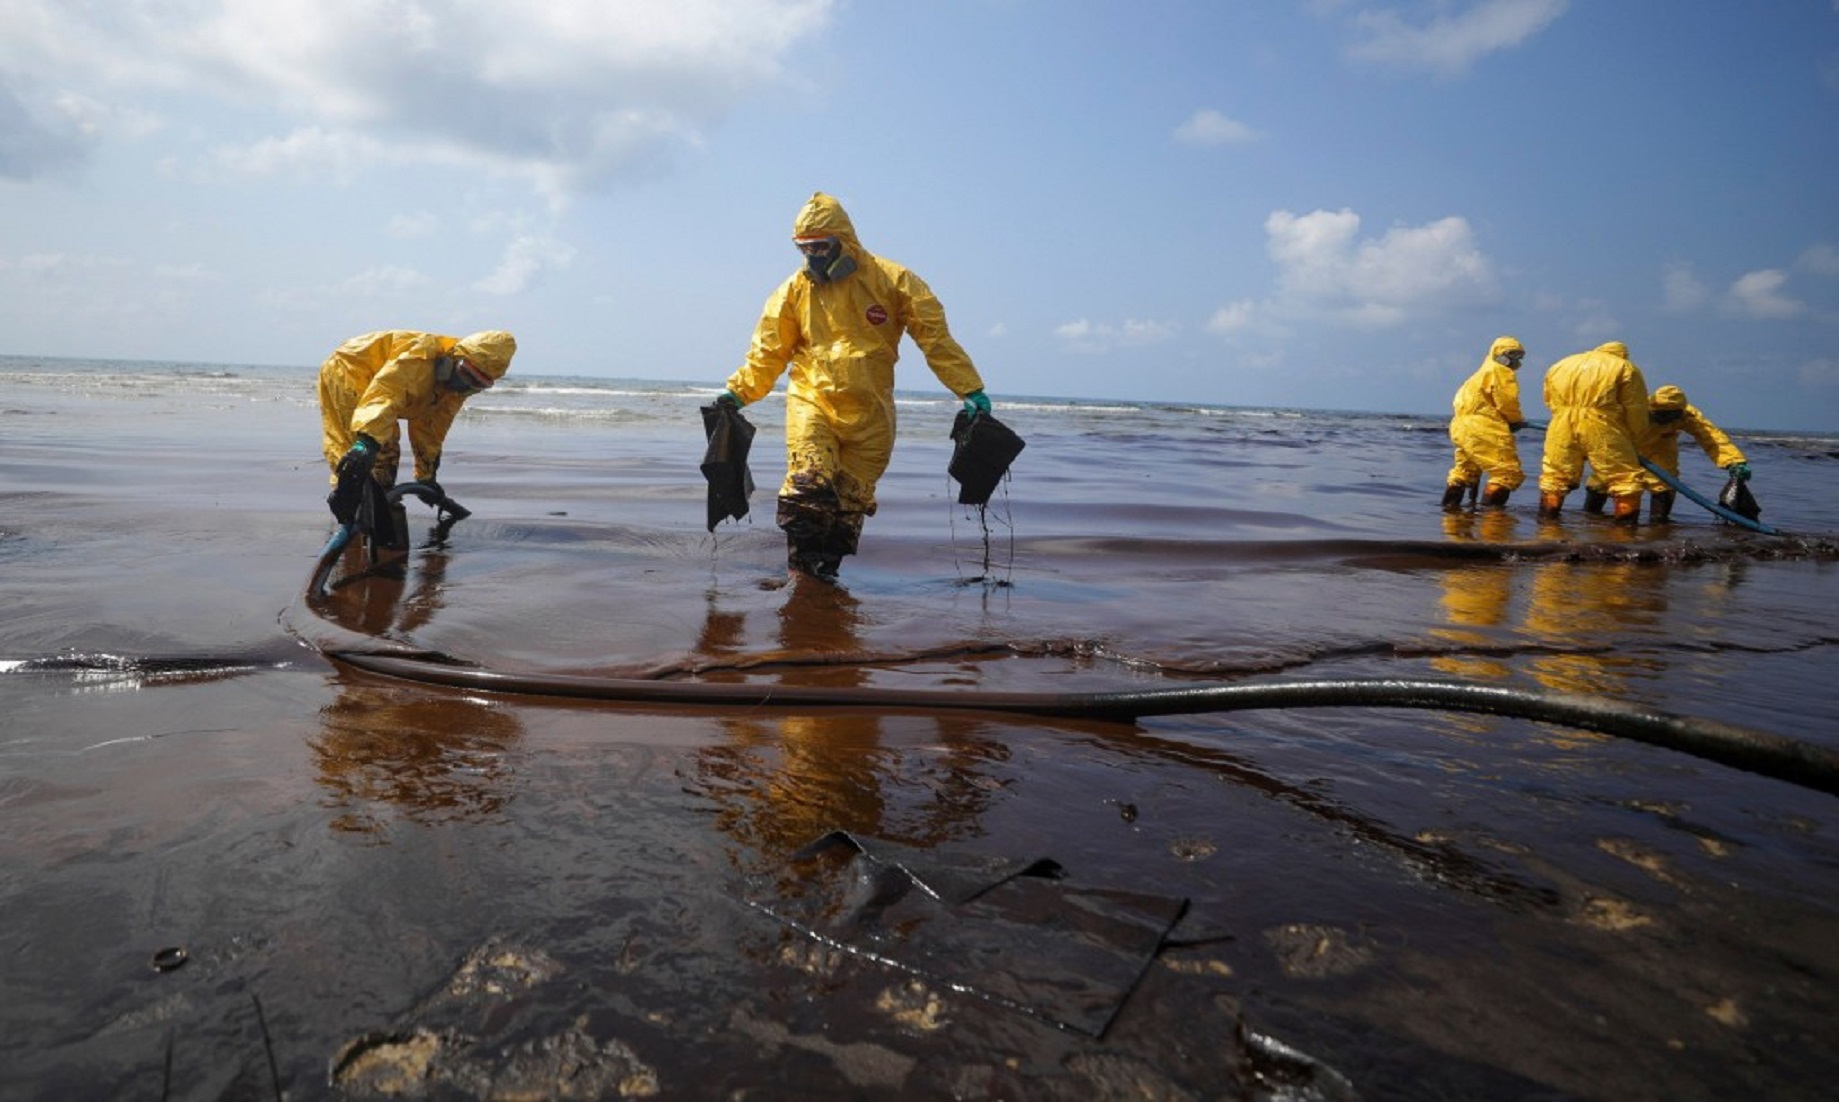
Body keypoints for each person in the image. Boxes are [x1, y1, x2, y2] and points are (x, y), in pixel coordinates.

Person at [714, 192, 991, 580]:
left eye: (821, 247)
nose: (813, 257)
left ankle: (822, 581)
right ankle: (799, 575)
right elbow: (769, 351)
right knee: (808, 487)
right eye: (804, 248)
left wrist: (969, 389)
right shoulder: (793, 291)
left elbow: (935, 339)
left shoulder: (894, 281)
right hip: (813, 399)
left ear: (844, 241)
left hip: (871, 415)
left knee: (848, 507)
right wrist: (738, 392)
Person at [318, 329, 517, 522]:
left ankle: (378, 505)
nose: (464, 386)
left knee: (383, 461)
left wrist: (426, 476)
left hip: (380, 390)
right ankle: (348, 506)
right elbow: (385, 396)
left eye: (477, 384)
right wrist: (366, 443)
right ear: (452, 359)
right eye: (465, 375)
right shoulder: (419, 357)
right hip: (350, 370)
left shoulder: (456, 390)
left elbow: (430, 429)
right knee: (361, 450)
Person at [1581, 385, 1750, 522]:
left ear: (1679, 412)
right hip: (1627, 445)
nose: (1664, 419)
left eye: (1670, 415)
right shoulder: (1635, 409)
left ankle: (1658, 525)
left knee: (1664, 483)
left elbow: (1711, 438)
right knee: (1603, 480)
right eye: (1660, 414)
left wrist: (1734, 461)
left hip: (1661, 445)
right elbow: (1601, 429)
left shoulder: (1687, 415)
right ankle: (1591, 519)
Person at [1536, 340, 1650, 523]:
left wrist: (1565, 418)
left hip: (1560, 424)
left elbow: (1549, 399)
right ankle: (1625, 536)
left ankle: (1547, 529)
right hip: (1601, 424)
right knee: (1624, 479)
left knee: (1555, 477)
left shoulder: (1561, 364)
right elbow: (1635, 408)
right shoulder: (1625, 367)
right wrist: (1634, 436)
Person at [1442, 336, 1529, 510]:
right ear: (1496, 353)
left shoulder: (1478, 375)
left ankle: (1450, 514)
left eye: (1518, 355)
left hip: (1460, 426)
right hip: (1483, 426)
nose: (1514, 359)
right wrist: (1515, 420)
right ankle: (1491, 523)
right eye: (1510, 354)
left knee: (1465, 471)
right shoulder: (1500, 372)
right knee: (1506, 472)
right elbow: (1506, 401)